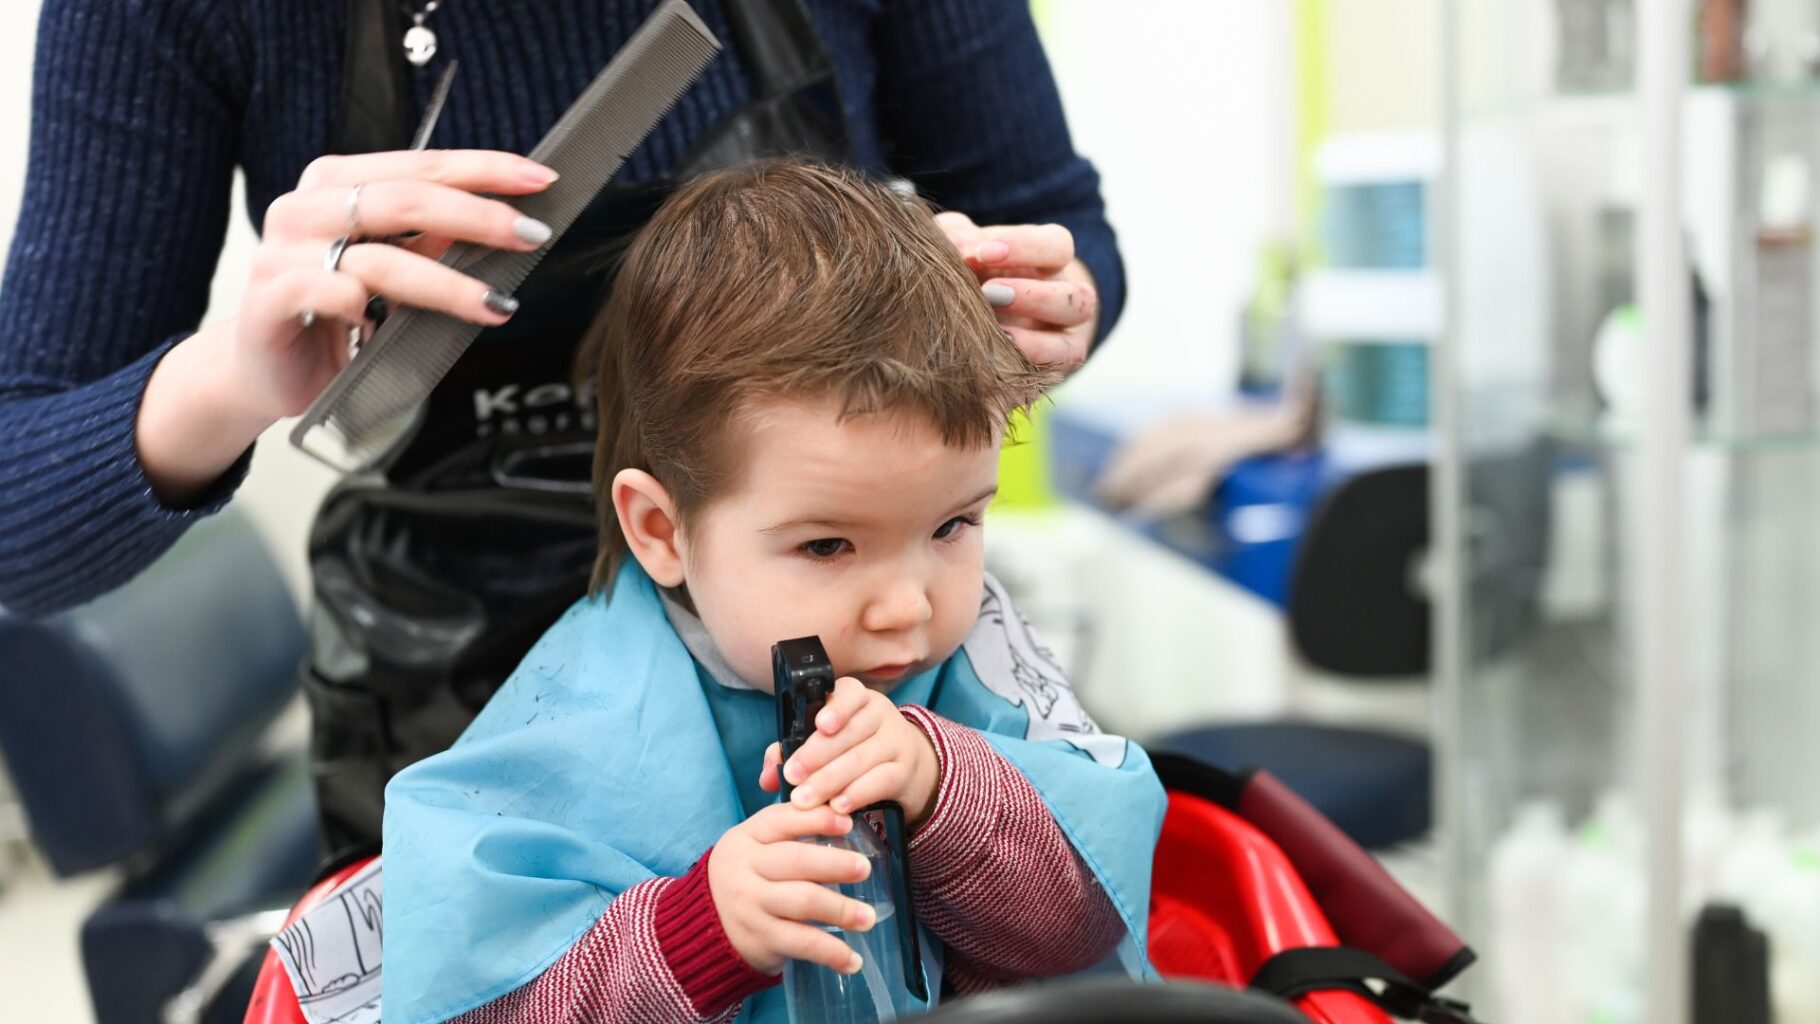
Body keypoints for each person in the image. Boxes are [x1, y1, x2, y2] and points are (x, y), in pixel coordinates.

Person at [0, 0, 1125, 856]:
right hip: (460, 712)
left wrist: (1043, 303)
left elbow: (1061, 227)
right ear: (651, 522)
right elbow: (20, 520)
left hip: (845, 684)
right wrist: (225, 380)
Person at [381, 162, 1164, 1024]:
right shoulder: (576, 720)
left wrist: (944, 794)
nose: (907, 607)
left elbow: (1090, 930)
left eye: (952, 527)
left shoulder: (978, 659)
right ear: (659, 529)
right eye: (827, 545)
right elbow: (474, 1007)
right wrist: (697, 934)